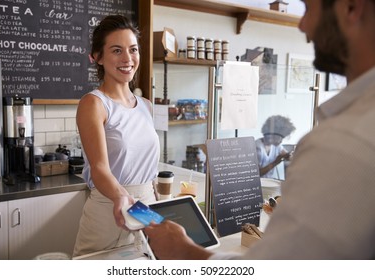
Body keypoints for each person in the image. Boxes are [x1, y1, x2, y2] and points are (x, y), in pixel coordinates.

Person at [144, 0, 375, 259]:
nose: (302, 24)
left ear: (351, 7)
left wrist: (185, 251)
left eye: (308, 9)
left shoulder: (342, 142)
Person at [73, 15, 159, 257]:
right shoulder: (93, 104)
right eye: (116, 50)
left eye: (133, 50)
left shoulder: (146, 105)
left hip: (146, 209)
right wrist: (122, 198)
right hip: (109, 211)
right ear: (98, 57)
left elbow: (148, 170)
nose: (127, 59)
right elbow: (100, 169)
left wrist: (162, 204)